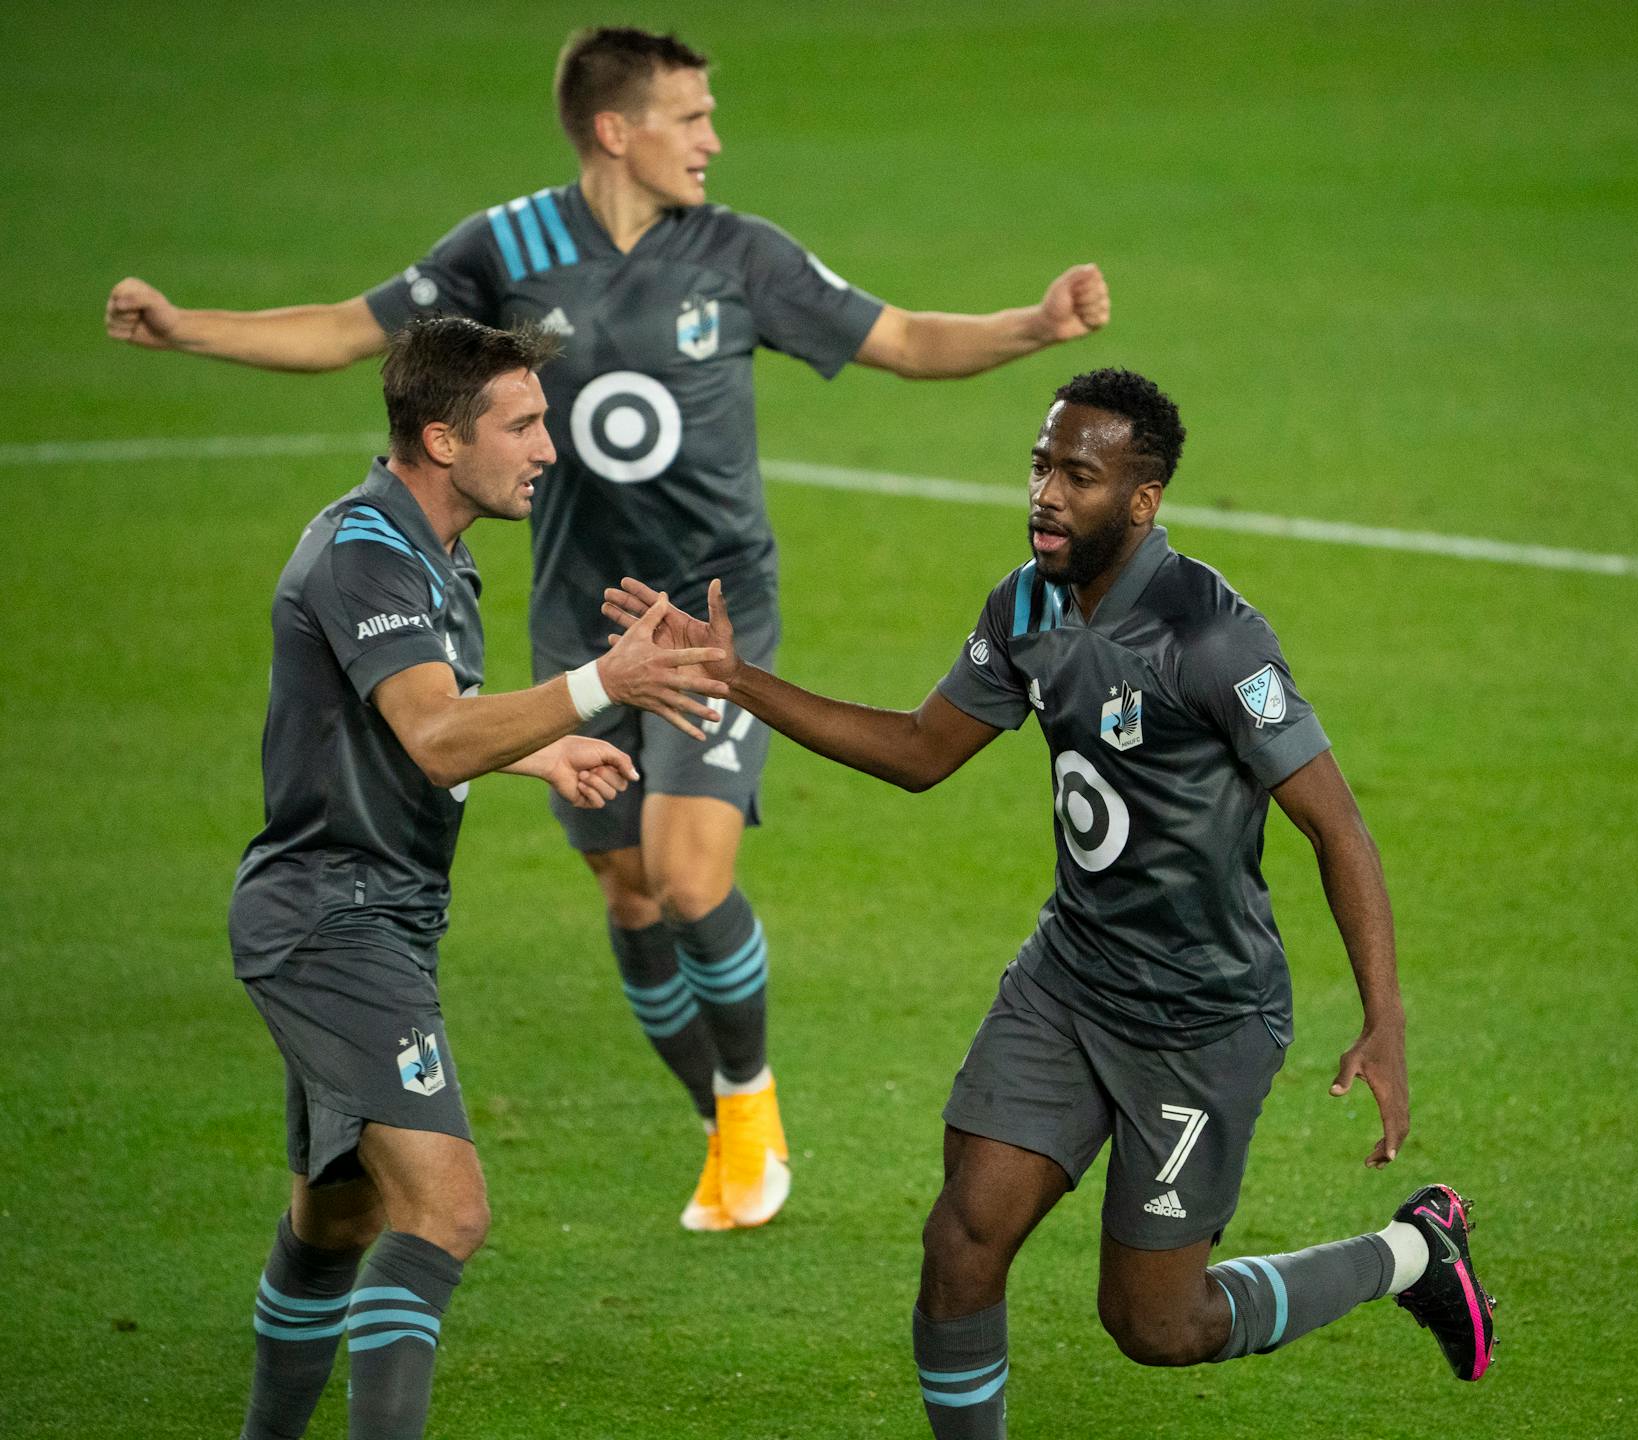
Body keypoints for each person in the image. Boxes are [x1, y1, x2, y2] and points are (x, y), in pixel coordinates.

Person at [105, 25, 1111, 1232]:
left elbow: (900, 338)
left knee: (687, 877)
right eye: (691, 117)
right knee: (628, 891)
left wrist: (1034, 325)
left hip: (711, 615)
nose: (713, 139)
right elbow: (344, 329)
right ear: (614, 129)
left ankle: (749, 1108)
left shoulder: (738, 253)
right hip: (580, 618)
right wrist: (186, 327)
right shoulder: (505, 248)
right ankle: (716, 1119)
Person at [604, 368, 1496, 1437]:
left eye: (1079, 475)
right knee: (961, 1244)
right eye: (1041, 465)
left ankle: (1411, 1254)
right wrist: (737, 679)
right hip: (1067, 985)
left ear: (1142, 499)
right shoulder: (1025, 603)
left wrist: (1384, 1020)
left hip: (1198, 1020)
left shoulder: (1212, 637)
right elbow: (921, 750)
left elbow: (1338, 827)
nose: (1046, 493)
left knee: (1157, 1325)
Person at [231, 316, 730, 1440]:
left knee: (336, 1224)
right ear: (442, 440)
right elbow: (434, 737)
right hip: (334, 924)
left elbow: (423, 713)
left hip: (370, 919)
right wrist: (598, 684)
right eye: (523, 425)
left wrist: (539, 749)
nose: (548, 448)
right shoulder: (365, 554)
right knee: (446, 1213)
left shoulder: (431, 553)